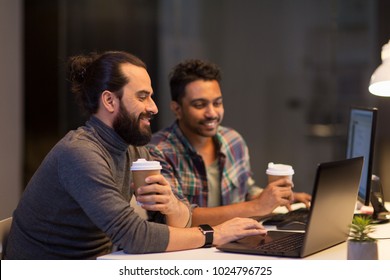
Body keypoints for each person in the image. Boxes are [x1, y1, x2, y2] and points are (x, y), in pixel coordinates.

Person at [5, 51, 266, 259]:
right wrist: (215, 234)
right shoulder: (80, 153)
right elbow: (135, 236)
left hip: (105, 261)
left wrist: (172, 206)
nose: (153, 108)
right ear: (109, 101)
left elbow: (173, 220)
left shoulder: (133, 148)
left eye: (151, 96)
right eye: (142, 97)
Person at [148, 59, 312, 226]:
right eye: (199, 105)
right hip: (189, 248)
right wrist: (257, 206)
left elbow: (245, 191)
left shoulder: (233, 141)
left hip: (235, 243)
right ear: (177, 109)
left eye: (217, 103)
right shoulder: (157, 151)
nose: (212, 113)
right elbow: (179, 218)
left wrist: (276, 198)